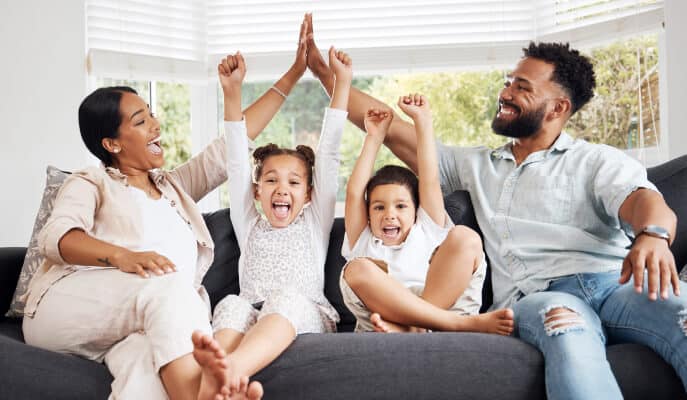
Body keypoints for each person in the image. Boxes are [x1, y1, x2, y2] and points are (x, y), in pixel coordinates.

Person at [304, 14, 686, 399]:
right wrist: (325, 75)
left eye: (521, 87)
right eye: (507, 82)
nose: (505, 93)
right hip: (541, 298)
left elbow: (644, 201)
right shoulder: (476, 166)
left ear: (557, 108)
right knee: (568, 333)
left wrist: (652, 235)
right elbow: (391, 128)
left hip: (615, 283)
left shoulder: (595, 160)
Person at [21, 19, 312, 400]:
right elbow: (56, 239)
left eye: (152, 114)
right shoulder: (91, 182)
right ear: (112, 143)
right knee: (169, 292)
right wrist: (121, 256)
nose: (156, 125)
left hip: (140, 326)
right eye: (141, 121)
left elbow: (234, 146)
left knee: (148, 375)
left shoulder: (175, 188)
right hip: (66, 311)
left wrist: (292, 76)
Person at [189, 44, 352, 399]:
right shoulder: (248, 223)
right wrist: (231, 93)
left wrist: (342, 84)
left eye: (294, 183)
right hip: (251, 311)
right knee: (231, 304)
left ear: (309, 195)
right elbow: (234, 161)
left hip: (304, 314)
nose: (282, 189)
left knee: (285, 298)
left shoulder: (314, 222)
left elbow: (330, 154)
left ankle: (229, 373)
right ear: (257, 190)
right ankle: (209, 391)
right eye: (272, 181)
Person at [340, 94, 514, 334]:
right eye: (379, 207)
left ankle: (413, 327)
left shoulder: (428, 226)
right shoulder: (364, 240)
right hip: (387, 313)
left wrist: (423, 121)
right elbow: (354, 192)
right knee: (355, 268)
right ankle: (429, 325)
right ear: (368, 213)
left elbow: (430, 177)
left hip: (440, 303)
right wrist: (374, 137)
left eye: (401, 206)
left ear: (416, 210)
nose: (389, 215)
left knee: (465, 237)